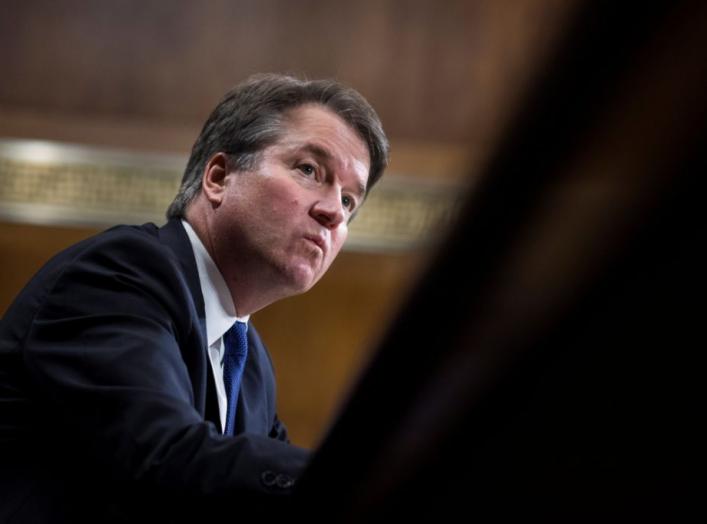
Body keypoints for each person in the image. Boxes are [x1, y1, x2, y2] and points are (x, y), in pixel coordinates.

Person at [0, 73, 389, 523]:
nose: (331, 212)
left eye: (348, 202)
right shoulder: (120, 274)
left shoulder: (252, 367)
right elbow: (163, 455)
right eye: (308, 170)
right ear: (219, 177)